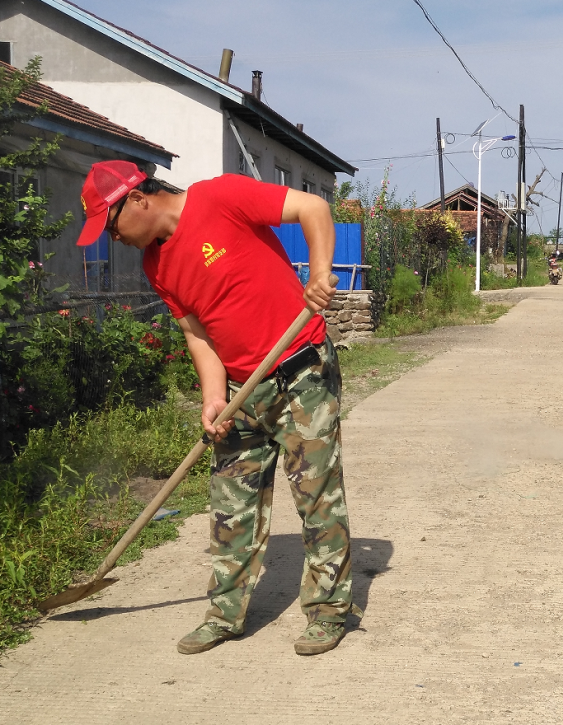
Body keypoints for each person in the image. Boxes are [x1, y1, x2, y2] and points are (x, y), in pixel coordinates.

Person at [76, 160, 355, 656]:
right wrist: (213, 396)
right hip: (243, 391)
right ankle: (225, 615)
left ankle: (329, 611)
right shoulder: (155, 265)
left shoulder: (219, 197)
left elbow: (313, 206)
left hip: (300, 370)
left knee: (317, 498)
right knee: (231, 506)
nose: (112, 238)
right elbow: (196, 333)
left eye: (110, 224)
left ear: (138, 199)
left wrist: (318, 273)